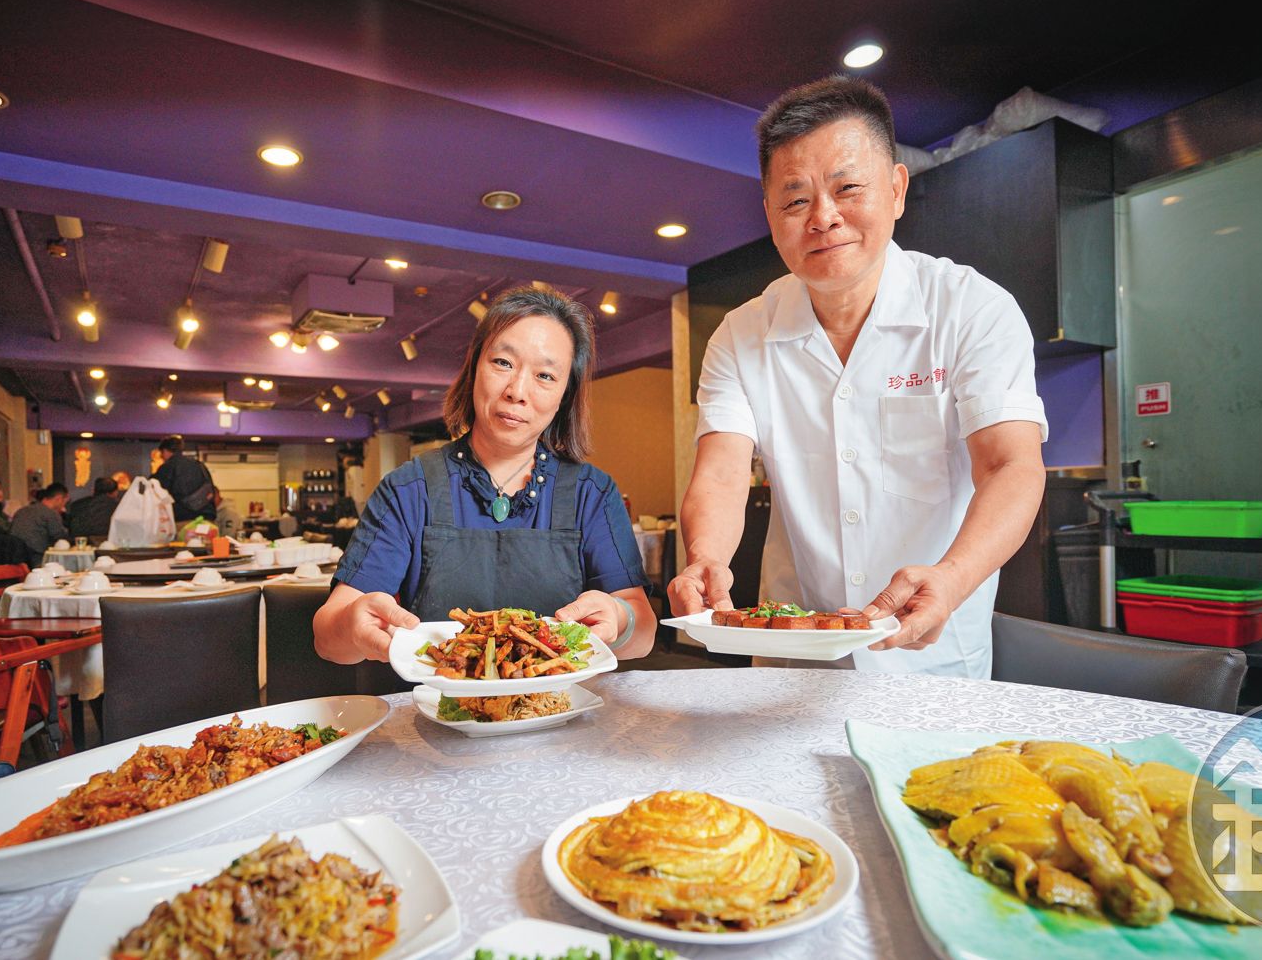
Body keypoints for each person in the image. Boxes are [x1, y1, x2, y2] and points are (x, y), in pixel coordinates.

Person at [668, 76, 1047, 678]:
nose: (824, 218)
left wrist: (951, 580)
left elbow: (1011, 466)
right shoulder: (741, 335)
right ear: (769, 214)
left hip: (931, 656)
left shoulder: (972, 308)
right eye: (795, 201)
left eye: (848, 189)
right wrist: (705, 557)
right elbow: (720, 472)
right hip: (793, 656)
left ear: (896, 189)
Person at [314, 287, 657, 663]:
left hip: (560, 712)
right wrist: (351, 624)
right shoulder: (408, 489)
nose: (517, 391)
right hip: (436, 713)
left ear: (565, 394)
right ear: (475, 366)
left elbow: (642, 634)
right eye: (503, 363)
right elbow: (328, 639)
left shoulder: (592, 493)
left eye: (545, 375)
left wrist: (621, 619)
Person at [153, 435, 216, 521]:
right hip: (207, 517)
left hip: (183, 519)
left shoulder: (167, 467)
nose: (162, 457)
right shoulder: (199, 465)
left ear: (165, 451)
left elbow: (158, 493)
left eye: (162, 454)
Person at [10, 482, 70, 568]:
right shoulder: (51, 513)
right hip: (38, 559)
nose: (64, 506)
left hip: (15, 559)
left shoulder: (22, 511)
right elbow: (60, 537)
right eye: (64, 502)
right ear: (58, 499)